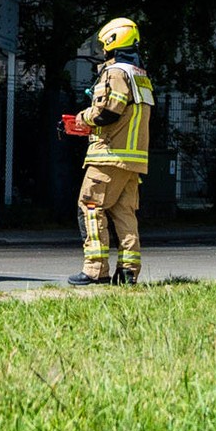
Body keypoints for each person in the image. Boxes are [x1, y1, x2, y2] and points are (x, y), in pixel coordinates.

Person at [61, 16, 153, 286]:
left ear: (113, 42)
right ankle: (127, 273)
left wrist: (81, 119)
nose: (103, 51)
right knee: (124, 213)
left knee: (90, 207)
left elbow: (108, 112)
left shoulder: (115, 73)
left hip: (109, 156)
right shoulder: (141, 77)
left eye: (104, 46)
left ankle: (95, 270)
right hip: (133, 160)